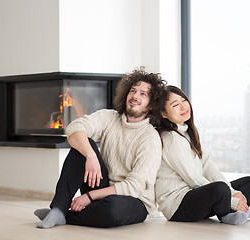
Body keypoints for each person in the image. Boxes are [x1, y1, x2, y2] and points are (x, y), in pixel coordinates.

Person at [34, 67, 166, 228]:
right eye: (133, 91)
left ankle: (66, 216)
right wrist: (90, 155)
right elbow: (75, 127)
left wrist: (89, 196)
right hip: (102, 187)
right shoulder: (109, 117)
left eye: (143, 94)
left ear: (151, 105)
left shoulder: (150, 138)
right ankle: (58, 209)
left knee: (112, 209)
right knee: (83, 144)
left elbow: (134, 186)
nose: (135, 96)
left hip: (134, 200)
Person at [155, 85, 250, 225]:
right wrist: (232, 201)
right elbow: (194, 178)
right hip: (178, 205)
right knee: (220, 189)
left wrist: (233, 192)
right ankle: (228, 212)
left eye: (183, 100)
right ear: (164, 114)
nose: (183, 106)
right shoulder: (171, 138)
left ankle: (227, 212)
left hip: (195, 195)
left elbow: (208, 166)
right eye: (175, 105)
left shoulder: (188, 133)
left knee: (249, 183)